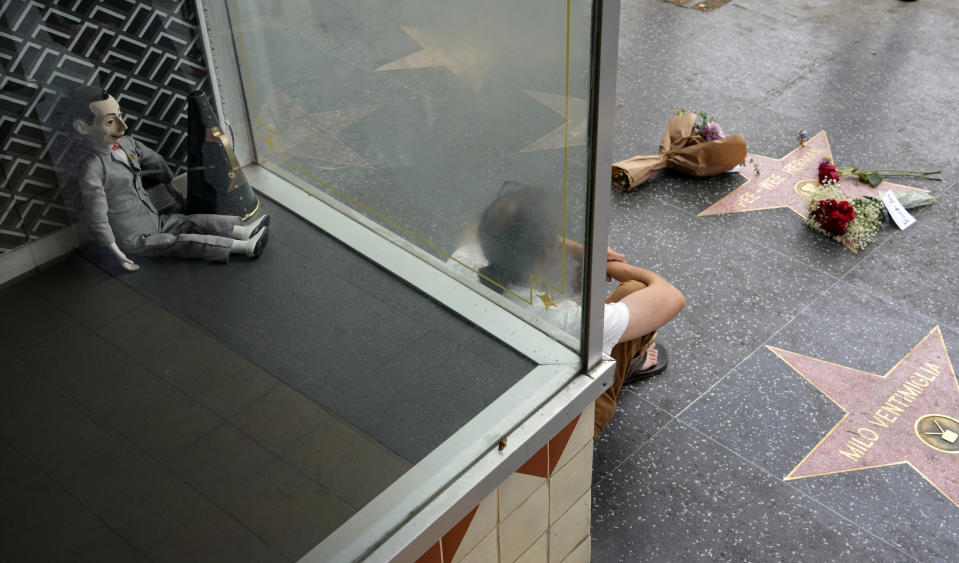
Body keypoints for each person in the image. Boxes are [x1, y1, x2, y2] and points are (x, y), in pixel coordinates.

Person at [452, 182, 685, 437]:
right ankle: (626, 363)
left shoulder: (462, 261)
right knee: (635, 291)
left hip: (485, 397)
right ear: (544, 254)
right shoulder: (567, 323)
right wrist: (602, 262)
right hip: (557, 431)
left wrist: (574, 249)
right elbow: (671, 296)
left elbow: (483, 225)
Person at [64, 86, 269, 272]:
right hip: (136, 238)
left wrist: (172, 188)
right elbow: (97, 216)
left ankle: (242, 231)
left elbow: (156, 161)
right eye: (110, 122)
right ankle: (243, 247)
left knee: (191, 221)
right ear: (82, 127)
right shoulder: (92, 168)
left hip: (155, 218)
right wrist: (118, 255)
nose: (122, 126)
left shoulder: (127, 144)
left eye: (120, 116)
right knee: (182, 241)